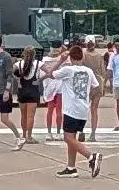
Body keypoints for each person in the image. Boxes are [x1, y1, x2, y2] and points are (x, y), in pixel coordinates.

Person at [44, 45, 103, 178]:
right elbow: (96, 87)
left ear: (70, 57)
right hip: (82, 109)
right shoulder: (88, 71)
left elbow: (50, 74)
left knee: (68, 138)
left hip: (71, 109)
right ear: (82, 57)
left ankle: (91, 156)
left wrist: (60, 60)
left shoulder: (67, 70)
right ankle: (71, 167)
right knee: (72, 138)